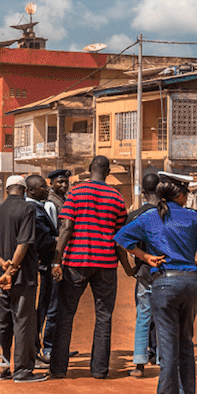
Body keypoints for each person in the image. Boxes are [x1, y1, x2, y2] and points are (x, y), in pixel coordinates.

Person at [114, 172, 197, 394]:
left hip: (164, 284)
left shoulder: (150, 217)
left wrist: (145, 257)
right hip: (191, 283)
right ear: (180, 195)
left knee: (168, 349)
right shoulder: (194, 217)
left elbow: (121, 238)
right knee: (186, 344)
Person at [49, 156, 128, 379]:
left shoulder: (75, 193)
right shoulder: (116, 197)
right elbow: (120, 237)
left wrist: (57, 260)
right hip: (106, 264)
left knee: (65, 315)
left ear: (89, 169)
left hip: (76, 262)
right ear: (108, 171)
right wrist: (127, 267)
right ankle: (100, 369)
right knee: (104, 317)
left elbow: (66, 228)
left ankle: (58, 368)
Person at [0, 175, 46, 382]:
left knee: (1, 325)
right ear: (25, 190)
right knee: (23, 324)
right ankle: (22, 371)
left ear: (6, 190)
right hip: (22, 277)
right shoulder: (27, 209)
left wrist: (3, 266)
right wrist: (10, 271)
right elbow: (24, 242)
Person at [128, 171, 162, 378]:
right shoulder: (169, 214)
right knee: (165, 318)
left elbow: (124, 242)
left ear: (142, 190)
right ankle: (162, 359)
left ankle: (139, 365)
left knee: (143, 317)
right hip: (166, 272)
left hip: (143, 271)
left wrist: (136, 260)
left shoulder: (135, 216)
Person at [24, 173, 58, 360]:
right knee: (45, 308)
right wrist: (61, 240)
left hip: (42, 266)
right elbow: (44, 241)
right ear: (30, 190)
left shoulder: (38, 207)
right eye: (42, 187)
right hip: (43, 266)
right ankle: (42, 349)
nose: (47, 189)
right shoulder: (33, 210)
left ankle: (44, 347)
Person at [39, 168, 71, 362]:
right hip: (54, 259)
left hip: (62, 258)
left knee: (59, 305)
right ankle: (48, 347)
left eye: (66, 182)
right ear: (51, 183)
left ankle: (57, 346)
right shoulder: (51, 204)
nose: (63, 185)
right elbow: (55, 234)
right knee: (51, 306)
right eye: (60, 182)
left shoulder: (64, 200)